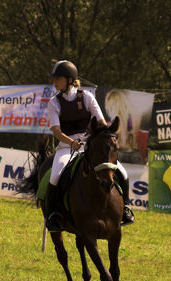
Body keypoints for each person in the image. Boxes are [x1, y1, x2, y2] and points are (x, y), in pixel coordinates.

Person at [45, 60, 135, 232]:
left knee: (122, 172)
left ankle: (126, 209)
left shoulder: (86, 97)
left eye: (58, 78)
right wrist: (71, 142)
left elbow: (100, 121)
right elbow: (56, 130)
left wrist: (105, 134)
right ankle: (53, 215)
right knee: (55, 176)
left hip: (90, 145)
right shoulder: (53, 103)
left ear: (70, 79)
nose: (54, 82)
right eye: (54, 78)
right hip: (66, 147)